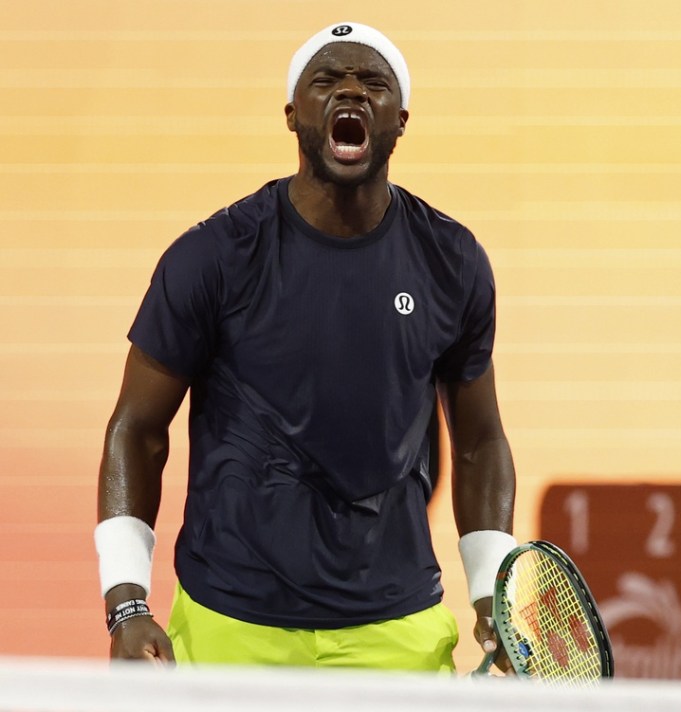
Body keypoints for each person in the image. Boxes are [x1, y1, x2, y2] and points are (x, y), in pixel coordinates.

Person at [94, 22, 517, 672]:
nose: (351, 89)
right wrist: (125, 601)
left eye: (373, 82)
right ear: (294, 114)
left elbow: (480, 440)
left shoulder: (452, 263)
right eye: (327, 79)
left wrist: (491, 593)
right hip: (229, 623)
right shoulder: (212, 258)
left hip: (395, 627)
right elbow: (137, 429)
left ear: (399, 120)